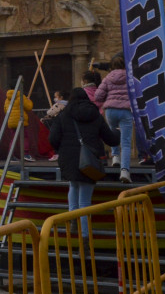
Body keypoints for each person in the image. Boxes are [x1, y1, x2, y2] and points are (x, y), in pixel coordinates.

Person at [48, 88, 120, 239]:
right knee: (85, 200)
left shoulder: (63, 115)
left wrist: (61, 147)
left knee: (73, 186)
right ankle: (85, 237)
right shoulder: (96, 115)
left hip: (69, 158)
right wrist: (118, 132)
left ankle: (73, 220)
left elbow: (53, 138)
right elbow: (111, 139)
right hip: (90, 159)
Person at [94, 55, 134, 183]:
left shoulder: (108, 78)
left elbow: (98, 96)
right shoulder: (130, 77)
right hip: (126, 110)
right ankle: (125, 171)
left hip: (110, 110)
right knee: (126, 142)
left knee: (113, 134)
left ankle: (115, 157)